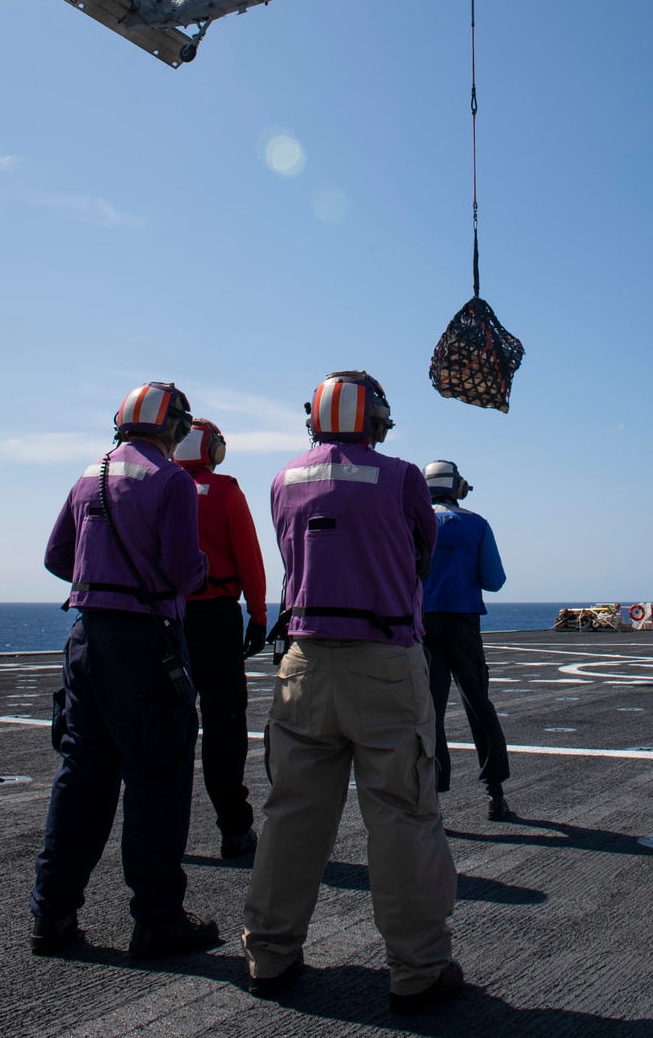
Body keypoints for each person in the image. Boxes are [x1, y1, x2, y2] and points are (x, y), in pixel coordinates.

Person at [242, 371, 461, 1015]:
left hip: (303, 664)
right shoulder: (401, 478)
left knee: (291, 814)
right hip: (385, 661)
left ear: (314, 419)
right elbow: (425, 547)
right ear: (378, 420)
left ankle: (270, 955)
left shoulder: (283, 479)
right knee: (402, 814)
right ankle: (418, 970)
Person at [30, 382, 220, 961]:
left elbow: (56, 557)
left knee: (81, 776)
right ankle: (157, 919)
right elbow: (183, 570)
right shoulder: (171, 481)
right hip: (145, 641)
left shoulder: (89, 474)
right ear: (175, 428)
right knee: (156, 778)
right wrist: (199, 569)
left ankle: (51, 915)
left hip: (85, 638)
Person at [175, 416, 267, 860]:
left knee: (166, 724)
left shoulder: (157, 486)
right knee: (224, 724)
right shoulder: (226, 490)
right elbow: (248, 554)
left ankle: (160, 836)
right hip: (216, 619)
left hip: (163, 618)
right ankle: (235, 828)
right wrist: (259, 614)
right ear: (212, 449)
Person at [422, 460, 512, 821]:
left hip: (423, 626)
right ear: (456, 486)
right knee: (478, 703)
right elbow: (494, 580)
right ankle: (495, 793)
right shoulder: (476, 523)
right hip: (464, 623)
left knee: (428, 713)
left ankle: (431, 799)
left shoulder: (410, 522)